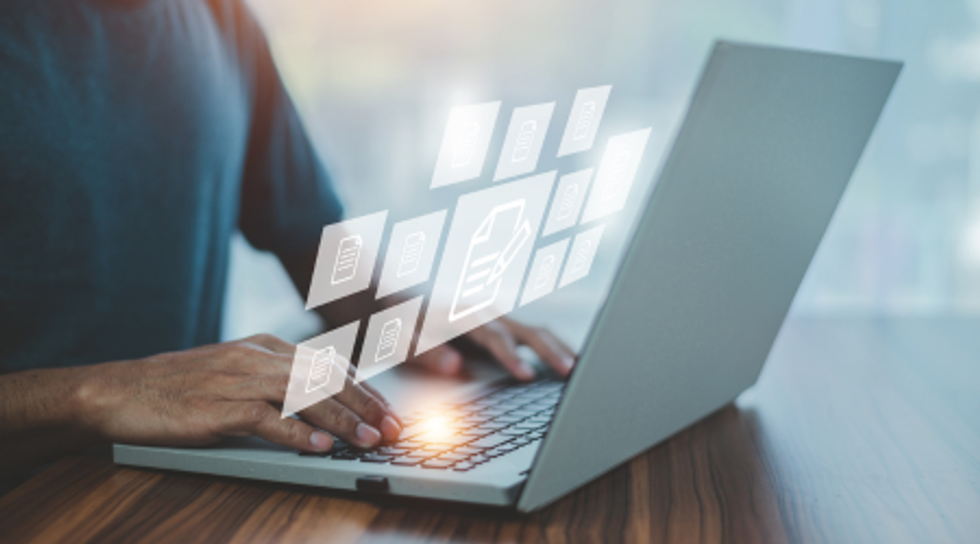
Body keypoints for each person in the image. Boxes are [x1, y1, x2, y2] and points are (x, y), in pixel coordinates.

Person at [0, 0, 575, 488]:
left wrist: (407, 318)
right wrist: (103, 396)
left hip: (174, 494)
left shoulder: (219, 17)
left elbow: (319, 258)